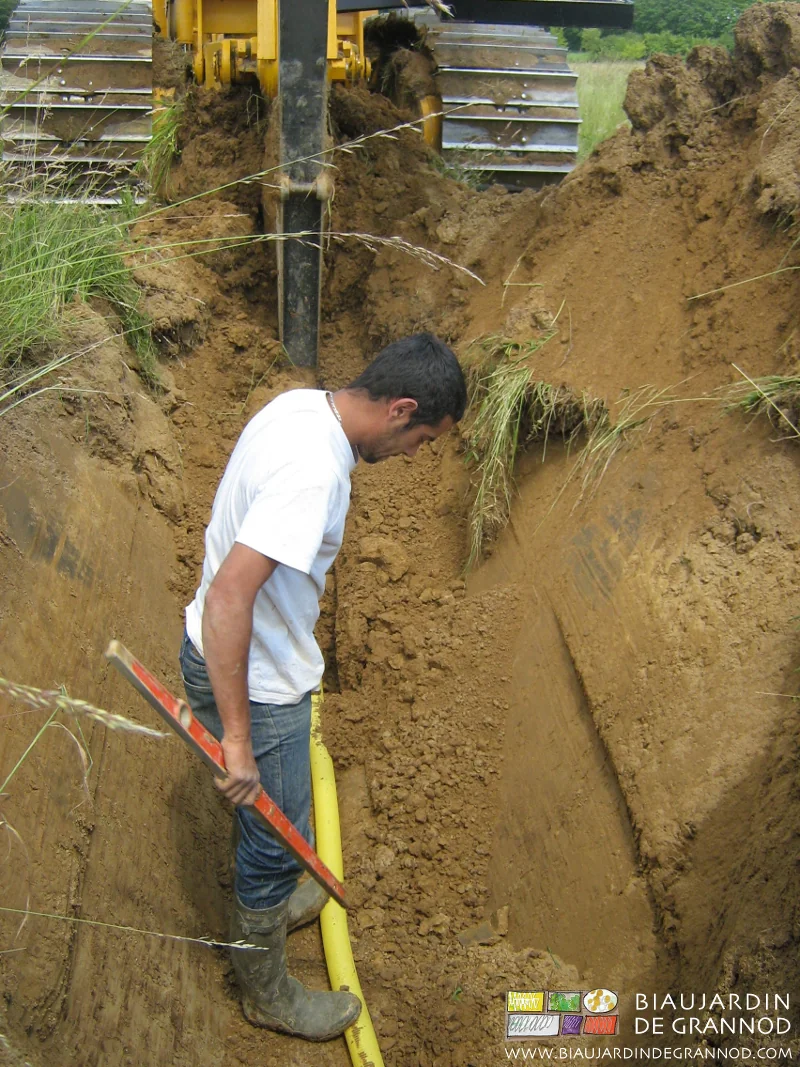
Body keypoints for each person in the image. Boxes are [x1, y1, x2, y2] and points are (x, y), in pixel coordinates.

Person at [179, 332, 467, 1041]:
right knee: (276, 843)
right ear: (401, 409)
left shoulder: (301, 407)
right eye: (423, 439)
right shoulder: (316, 474)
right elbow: (228, 599)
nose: (416, 455)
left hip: (231, 658)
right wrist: (239, 739)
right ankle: (266, 993)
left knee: (284, 819)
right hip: (260, 685)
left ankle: (277, 893)